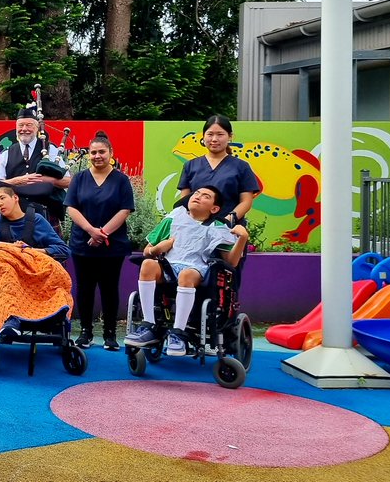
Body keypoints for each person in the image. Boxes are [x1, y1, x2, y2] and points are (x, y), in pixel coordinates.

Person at [124, 186, 249, 356]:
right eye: (196, 193)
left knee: (186, 274)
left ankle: (178, 333)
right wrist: (158, 248)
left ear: (214, 208)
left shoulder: (218, 226)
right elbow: (147, 250)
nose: (197, 197)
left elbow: (231, 262)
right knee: (147, 264)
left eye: (205, 196)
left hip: (197, 269)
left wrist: (243, 238)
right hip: (169, 266)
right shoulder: (174, 218)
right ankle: (149, 325)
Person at [0, 185, 72, 342]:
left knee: (1, 256)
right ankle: (5, 317)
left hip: (33, 274)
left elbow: (63, 249)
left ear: (15, 198)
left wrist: (30, 251)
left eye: (2, 198)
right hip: (7, 276)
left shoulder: (36, 220)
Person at [64, 131, 134, 351]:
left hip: (112, 246)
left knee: (109, 288)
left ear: (111, 153)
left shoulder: (121, 180)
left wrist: (102, 233)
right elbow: (71, 208)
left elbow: (125, 210)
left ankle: (110, 334)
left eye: (101, 151)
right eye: (93, 152)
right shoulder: (79, 178)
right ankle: (85, 332)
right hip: (82, 244)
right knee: (84, 288)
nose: (97, 156)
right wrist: (90, 231)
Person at [0, 103, 71, 220]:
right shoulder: (6, 153)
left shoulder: (50, 149)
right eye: (21, 125)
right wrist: (18, 181)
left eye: (29, 125)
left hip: (46, 213)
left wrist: (46, 180)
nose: (24, 129)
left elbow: (67, 181)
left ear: (37, 127)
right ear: (16, 128)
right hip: (13, 215)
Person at [176, 114, 260, 224]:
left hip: (230, 232)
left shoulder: (241, 167)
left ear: (230, 136)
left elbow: (246, 201)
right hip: (195, 231)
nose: (214, 139)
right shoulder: (190, 166)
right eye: (210, 134)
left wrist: (227, 221)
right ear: (203, 136)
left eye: (220, 134)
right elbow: (186, 201)